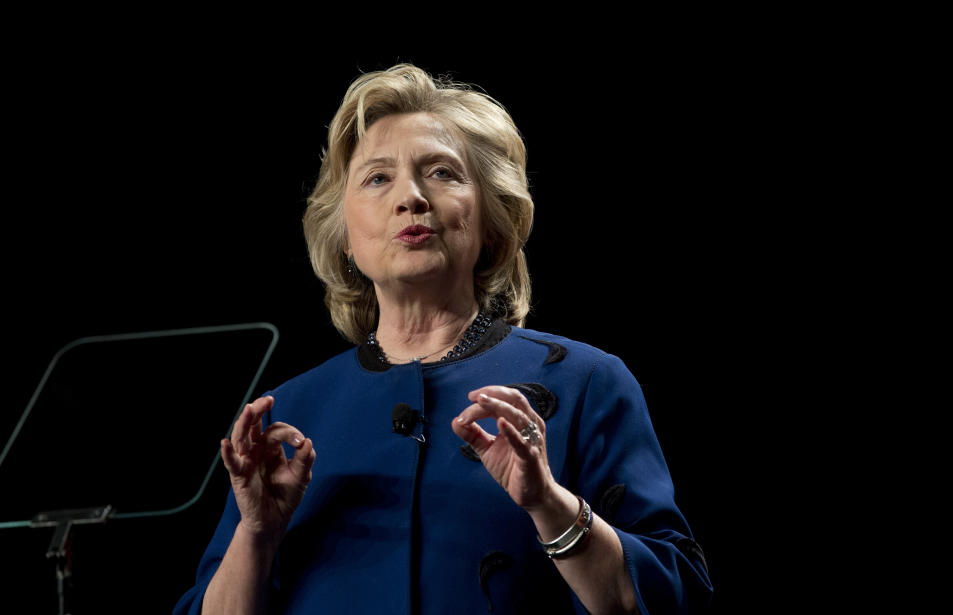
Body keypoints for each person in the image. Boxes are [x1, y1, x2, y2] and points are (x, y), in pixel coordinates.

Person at [174, 63, 712, 615]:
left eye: (442, 172)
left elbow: (676, 598)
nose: (411, 197)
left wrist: (549, 506)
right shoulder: (287, 411)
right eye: (378, 178)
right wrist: (257, 534)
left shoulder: (586, 383)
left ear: (490, 218)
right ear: (343, 233)